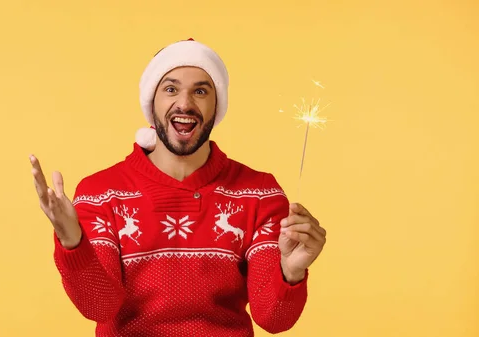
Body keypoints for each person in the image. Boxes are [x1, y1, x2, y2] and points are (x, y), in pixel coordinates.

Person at [29, 38, 327, 336]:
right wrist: (72, 243)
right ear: (152, 101)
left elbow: (273, 319)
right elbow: (99, 308)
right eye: (171, 89)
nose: (184, 103)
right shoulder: (101, 192)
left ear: (217, 104)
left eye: (200, 91)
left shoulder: (260, 193)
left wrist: (291, 271)